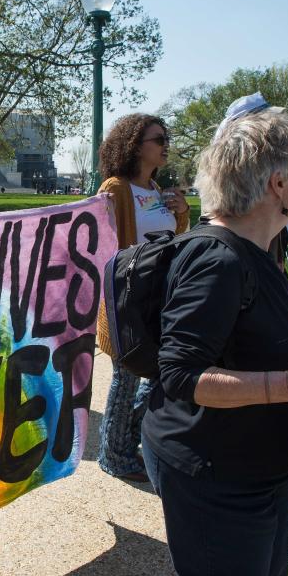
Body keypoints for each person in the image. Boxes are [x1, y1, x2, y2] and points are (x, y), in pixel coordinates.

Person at [104, 111, 288, 576]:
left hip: (255, 468)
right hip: (214, 474)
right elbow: (180, 375)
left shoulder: (256, 247)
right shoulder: (219, 260)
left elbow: (239, 333)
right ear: (278, 183)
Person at [94, 114, 190, 483]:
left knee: (157, 374)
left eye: (166, 137)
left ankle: (125, 443)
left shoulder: (155, 187)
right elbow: (105, 244)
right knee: (127, 375)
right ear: (136, 145)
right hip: (127, 298)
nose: (166, 144)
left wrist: (181, 215)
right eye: (158, 139)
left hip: (160, 297)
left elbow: (169, 240)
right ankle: (114, 455)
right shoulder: (116, 189)